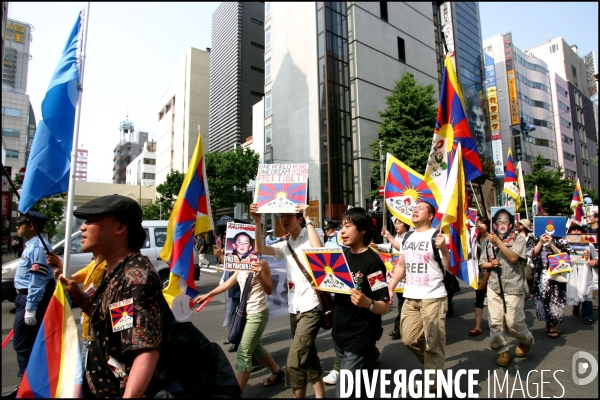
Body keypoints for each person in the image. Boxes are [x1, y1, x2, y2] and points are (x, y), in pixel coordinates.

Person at [60, 195, 167, 397]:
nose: (83, 227)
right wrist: (81, 298)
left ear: (119, 228)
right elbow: (118, 324)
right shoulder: (115, 270)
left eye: (92, 220)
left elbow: (144, 350)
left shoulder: (135, 277)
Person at [249, 203, 326, 399]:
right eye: (281, 216)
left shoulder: (312, 233)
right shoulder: (285, 244)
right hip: (295, 306)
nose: (283, 220)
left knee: (293, 361)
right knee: (308, 355)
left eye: (288, 217)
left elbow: (320, 252)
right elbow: (260, 248)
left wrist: (309, 218)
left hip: (312, 304)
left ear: (299, 219)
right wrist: (257, 222)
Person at [193, 257, 284, 392]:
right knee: (256, 347)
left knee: (244, 352)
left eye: (247, 243)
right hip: (245, 312)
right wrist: (208, 294)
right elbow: (229, 283)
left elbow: (269, 290)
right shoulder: (242, 264)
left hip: (258, 313)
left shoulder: (262, 263)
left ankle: (235, 393)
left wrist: (259, 276)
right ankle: (277, 371)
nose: (243, 247)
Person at [387, 201, 451, 394]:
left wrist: (445, 249)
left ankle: (432, 384)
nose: (415, 210)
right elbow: (401, 265)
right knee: (408, 339)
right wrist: (391, 287)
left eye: (421, 208)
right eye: (414, 208)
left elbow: (448, 269)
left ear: (431, 216)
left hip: (433, 297)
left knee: (433, 343)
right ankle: (435, 366)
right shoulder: (407, 236)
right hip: (410, 296)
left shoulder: (438, 236)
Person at [330, 208, 389, 398]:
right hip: (339, 333)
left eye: (348, 226)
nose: (342, 231)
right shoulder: (342, 256)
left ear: (362, 229)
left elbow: (384, 305)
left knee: (343, 392)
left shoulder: (373, 262)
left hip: (360, 336)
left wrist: (368, 303)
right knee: (359, 389)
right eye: (341, 227)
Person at [5, 212, 55, 398]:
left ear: (31, 226)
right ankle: (27, 385)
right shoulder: (30, 246)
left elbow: (37, 280)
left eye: (21, 224)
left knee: (23, 344)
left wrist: (31, 307)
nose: (17, 227)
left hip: (29, 299)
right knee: (25, 344)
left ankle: (28, 386)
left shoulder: (38, 248)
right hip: (23, 298)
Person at [480, 215, 534, 367]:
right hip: (494, 285)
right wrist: (490, 264)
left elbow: (514, 258)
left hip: (513, 284)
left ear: (511, 224)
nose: (501, 225)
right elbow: (482, 263)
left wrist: (499, 242)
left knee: (513, 322)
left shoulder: (519, 239)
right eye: (498, 222)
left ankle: (526, 339)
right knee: (495, 322)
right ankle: (501, 350)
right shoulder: (488, 241)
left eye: (505, 222)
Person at [46, 251, 107, 365]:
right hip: (87, 332)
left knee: (82, 375)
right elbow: (70, 279)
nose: (83, 233)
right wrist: (59, 267)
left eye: (87, 230)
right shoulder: (94, 264)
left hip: (95, 333)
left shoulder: (106, 267)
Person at [527, 229, 571, 339]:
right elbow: (531, 254)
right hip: (541, 273)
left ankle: (553, 326)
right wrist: (541, 242)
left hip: (556, 273)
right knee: (543, 299)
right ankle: (548, 321)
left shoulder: (560, 237)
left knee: (555, 299)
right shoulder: (534, 237)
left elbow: (564, 255)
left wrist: (552, 244)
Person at [371, 216, 410, 340]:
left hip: (406, 274)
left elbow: (401, 248)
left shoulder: (410, 236)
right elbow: (390, 247)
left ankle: (400, 328)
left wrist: (390, 237)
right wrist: (377, 246)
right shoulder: (396, 237)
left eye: (400, 223)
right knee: (402, 302)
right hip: (396, 274)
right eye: (396, 223)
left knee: (404, 303)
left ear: (406, 225)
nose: (397, 225)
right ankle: (401, 328)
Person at [566, 224, 597, 324]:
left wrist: (595, 260)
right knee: (574, 289)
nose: (576, 232)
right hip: (572, 270)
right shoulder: (565, 244)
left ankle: (588, 315)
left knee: (586, 291)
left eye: (578, 230)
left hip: (585, 270)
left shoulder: (589, 244)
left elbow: (596, 256)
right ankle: (576, 305)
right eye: (573, 230)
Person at [469, 216, 490, 336]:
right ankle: (477, 326)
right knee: (479, 298)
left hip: (493, 271)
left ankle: (500, 323)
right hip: (479, 272)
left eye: (482, 223)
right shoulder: (474, 240)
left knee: (496, 298)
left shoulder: (493, 239)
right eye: (477, 223)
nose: (479, 225)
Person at [516, 219, 535, 297]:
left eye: (521, 224)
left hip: (527, 260)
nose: (519, 225)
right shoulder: (515, 235)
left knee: (527, 276)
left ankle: (532, 291)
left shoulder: (531, 237)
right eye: (519, 224)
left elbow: (532, 248)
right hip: (517, 259)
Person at [586, 212, 599, 308]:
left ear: (596, 219)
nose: (587, 218)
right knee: (595, 281)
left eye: (590, 217)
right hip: (592, 260)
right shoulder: (586, 231)